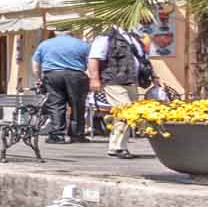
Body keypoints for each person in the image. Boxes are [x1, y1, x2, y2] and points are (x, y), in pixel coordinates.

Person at [89, 27, 151, 158]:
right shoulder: (106, 36)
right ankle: (118, 147)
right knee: (127, 111)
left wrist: (154, 76)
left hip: (131, 81)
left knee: (123, 115)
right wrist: (94, 79)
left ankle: (116, 146)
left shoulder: (134, 37)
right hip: (113, 80)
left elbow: (143, 59)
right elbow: (94, 58)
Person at [33, 26, 94, 141]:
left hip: (53, 75)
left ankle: (57, 135)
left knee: (56, 104)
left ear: (56, 32)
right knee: (77, 105)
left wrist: (39, 78)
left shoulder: (45, 44)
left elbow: (35, 64)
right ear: (70, 32)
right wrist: (91, 78)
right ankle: (77, 134)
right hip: (76, 75)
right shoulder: (83, 44)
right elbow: (91, 63)